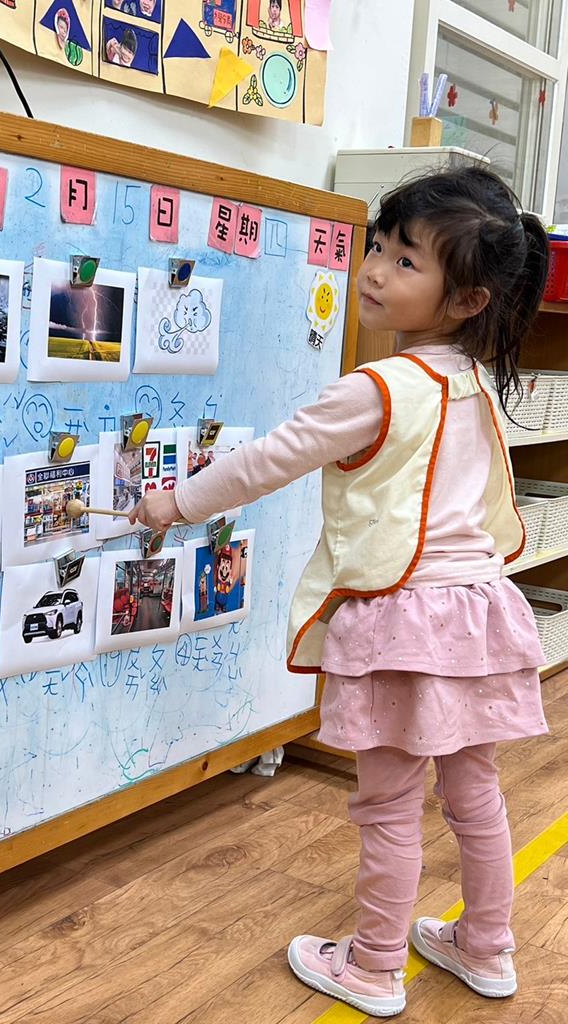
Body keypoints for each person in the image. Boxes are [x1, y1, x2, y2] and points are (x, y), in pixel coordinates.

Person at [129, 166, 550, 1018]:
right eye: (380, 246)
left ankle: (374, 966)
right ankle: (487, 948)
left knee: (388, 802)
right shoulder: (473, 381)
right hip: (478, 613)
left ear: (467, 300)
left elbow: (266, 460)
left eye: (406, 261)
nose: (375, 270)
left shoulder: (376, 387)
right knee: (475, 796)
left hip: (403, 620)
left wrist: (174, 503)